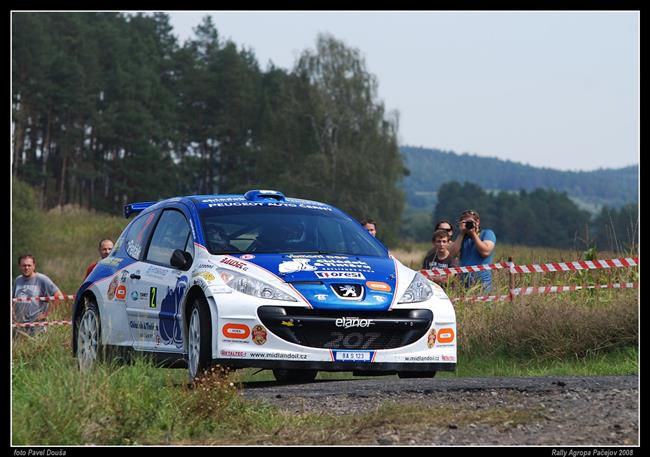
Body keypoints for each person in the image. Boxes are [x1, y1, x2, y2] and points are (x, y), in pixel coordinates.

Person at [13, 254, 63, 335]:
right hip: (19, 326)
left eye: (29, 265)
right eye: (24, 265)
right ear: (19, 266)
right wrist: (13, 314)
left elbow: (58, 296)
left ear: (34, 266)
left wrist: (47, 314)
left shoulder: (42, 279)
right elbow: (13, 299)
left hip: (36, 327)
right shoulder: (18, 280)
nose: (26, 268)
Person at [448, 209, 497, 291]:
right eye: (465, 222)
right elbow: (452, 254)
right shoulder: (462, 237)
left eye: (470, 222)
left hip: (482, 281)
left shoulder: (487, 233)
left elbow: (485, 252)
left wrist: (473, 234)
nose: (468, 224)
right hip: (463, 280)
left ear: (477, 222)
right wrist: (461, 233)